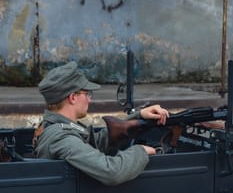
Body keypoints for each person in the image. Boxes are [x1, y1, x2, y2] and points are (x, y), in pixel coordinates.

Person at [35, 61, 169, 185]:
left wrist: (139, 116)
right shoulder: (63, 138)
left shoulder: (58, 126)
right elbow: (111, 171)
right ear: (73, 97)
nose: (89, 100)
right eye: (87, 94)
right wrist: (140, 152)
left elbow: (91, 144)